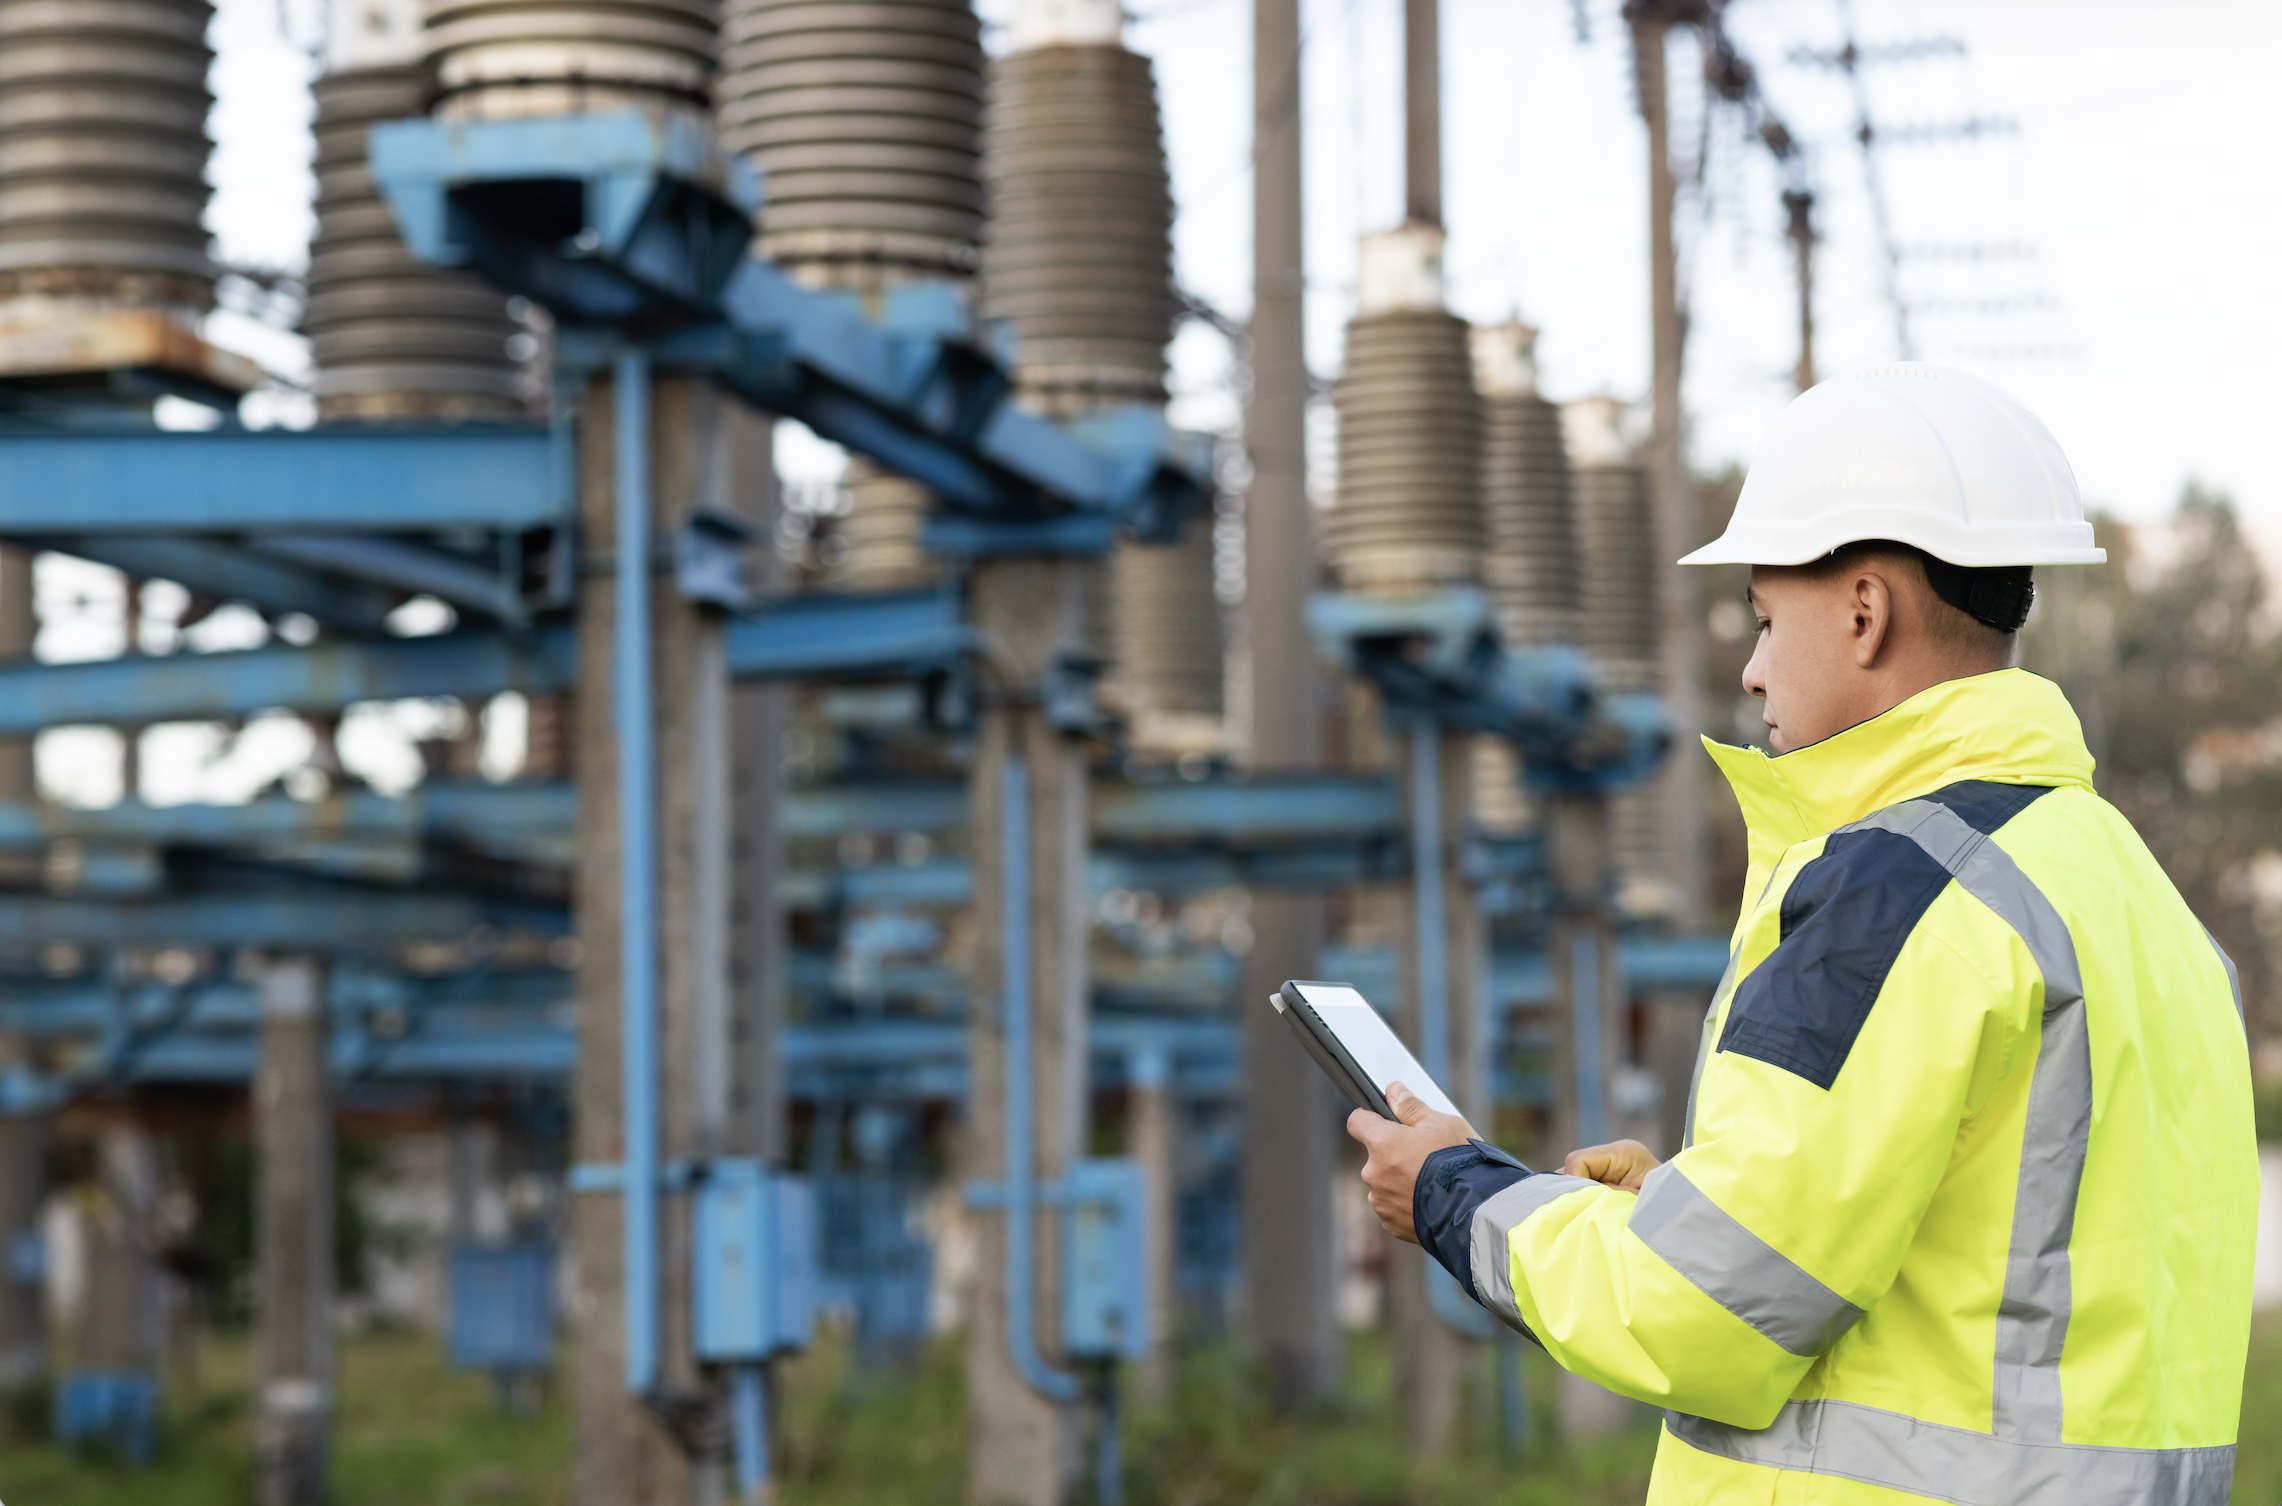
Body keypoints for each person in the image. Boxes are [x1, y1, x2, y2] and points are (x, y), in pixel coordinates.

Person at [1348, 365, 2258, 1503]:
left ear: (1863, 610)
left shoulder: (1900, 890)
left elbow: (1693, 1312)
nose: (1751, 666)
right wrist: (1688, 1201)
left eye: (1767, 619)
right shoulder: (2126, 888)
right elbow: (2003, 1262)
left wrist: (1452, 1191)